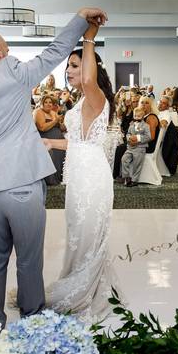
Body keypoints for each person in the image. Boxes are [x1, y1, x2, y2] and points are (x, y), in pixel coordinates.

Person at [0, 6, 107, 325]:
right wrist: (80, 19)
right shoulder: (12, 71)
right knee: (29, 260)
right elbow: (55, 52)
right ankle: (33, 322)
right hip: (22, 184)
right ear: (1, 51)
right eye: (8, 48)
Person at [40, 19, 118, 319]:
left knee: (87, 237)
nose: (70, 71)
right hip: (80, 174)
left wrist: (89, 39)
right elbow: (80, 144)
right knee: (78, 236)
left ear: (91, 69)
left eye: (75, 66)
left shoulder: (95, 95)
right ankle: (80, 281)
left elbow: (88, 80)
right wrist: (51, 144)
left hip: (92, 179)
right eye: (68, 67)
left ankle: (83, 292)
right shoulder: (83, 100)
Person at [35, 94, 66, 185]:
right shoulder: (38, 112)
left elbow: (61, 128)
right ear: (42, 103)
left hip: (59, 140)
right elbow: (42, 127)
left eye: (50, 103)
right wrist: (55, 121)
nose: (48, 104)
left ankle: (61, 178)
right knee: (53, 158)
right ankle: (52, 180)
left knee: (61, 158)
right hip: (47, 140)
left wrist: (63, 124)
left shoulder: (53, 113)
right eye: (46, 102)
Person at [120, 106, 151, 187]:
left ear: (143, 116)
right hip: (130, 147)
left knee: (137, 164)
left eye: (139, 116)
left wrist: (137, 138)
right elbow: (128, 133)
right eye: (135, 116)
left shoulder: (146, 126)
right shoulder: (132, 125)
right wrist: (129, 138)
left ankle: (135, 180)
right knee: (124, 159)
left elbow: (148, 137)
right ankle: (127, 177)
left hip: (140, 148)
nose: (137, 117)